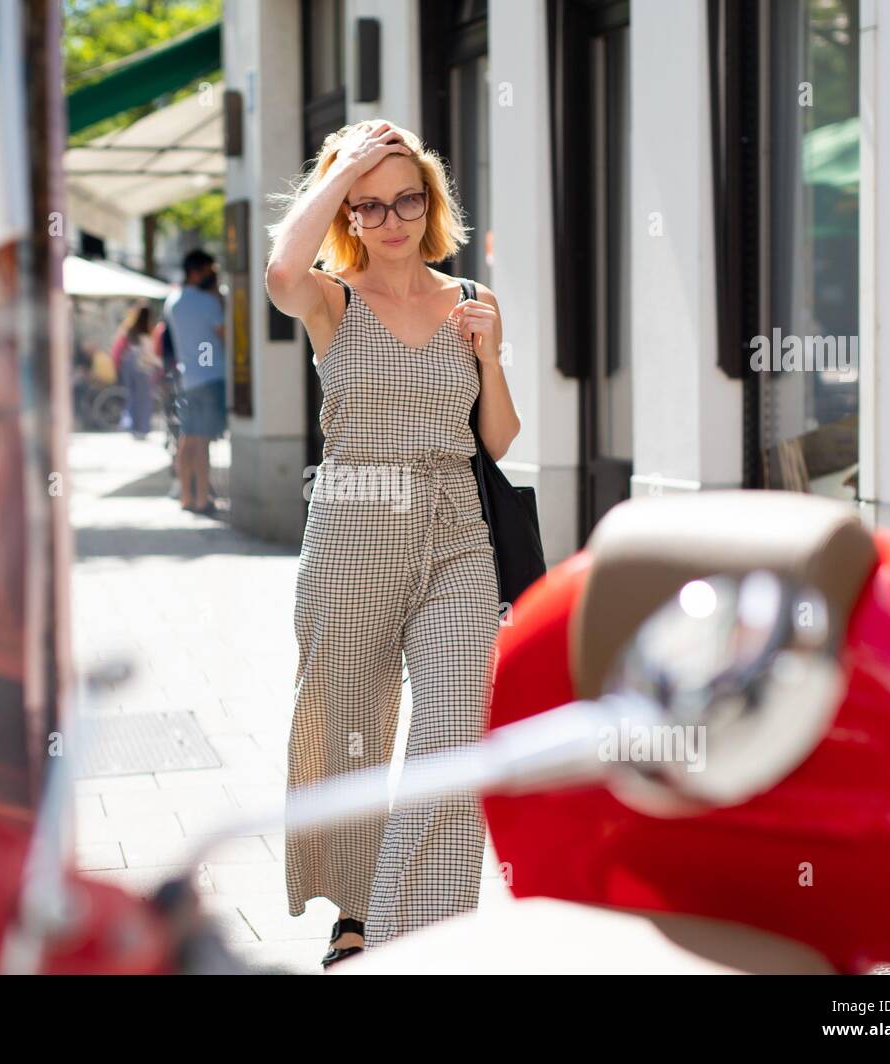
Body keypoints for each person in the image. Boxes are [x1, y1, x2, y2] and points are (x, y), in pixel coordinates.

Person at [265, 119, 522, 966]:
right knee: (351, 732)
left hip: (454, 532)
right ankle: (355, 909)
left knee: (454, 728)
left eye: (407, 198)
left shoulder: (472, 298)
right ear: (346, 212)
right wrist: (339, 172)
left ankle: (414, 926)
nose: (392, 219)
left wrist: (491, 356)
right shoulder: (332, 297)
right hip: (352, 526)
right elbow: (278, 271)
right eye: (368, 205)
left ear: (431, 201)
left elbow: (503, 435)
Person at [163, 249, 227, 515]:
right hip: (210, 377)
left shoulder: (173, 302)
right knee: (202, 442)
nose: (214, 275)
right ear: (197, 272)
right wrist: (219, 300)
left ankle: (186, 497)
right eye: (211, 271)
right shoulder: (209, 303)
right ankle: (202, 498)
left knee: (187, 439)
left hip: (186, 378)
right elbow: (225, 334)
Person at [111, 302, 158, 438]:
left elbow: (119, 347)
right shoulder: (148, 332)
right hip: (142, 365)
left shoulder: (130, 329)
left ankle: (132, 426)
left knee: (132, 396)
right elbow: (148, 353)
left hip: (128, 364)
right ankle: (142, 429)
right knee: (144, 399)